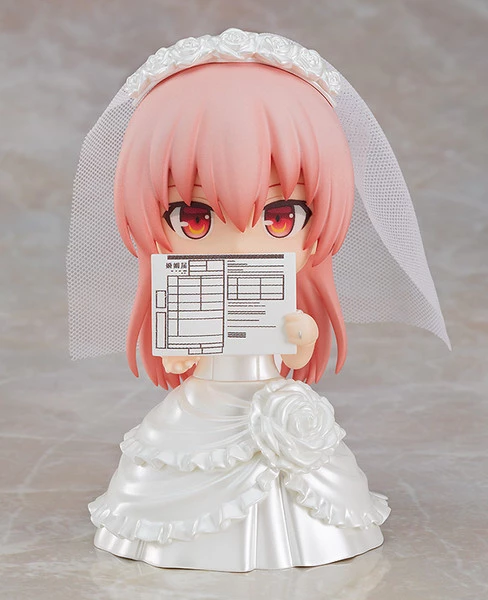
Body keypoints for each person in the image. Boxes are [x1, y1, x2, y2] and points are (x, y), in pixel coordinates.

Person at [68, 29, 449, 571]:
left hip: (271, 391)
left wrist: (300, 335)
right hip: (206, 401)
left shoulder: (282, 294)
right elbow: (178, 357)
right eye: (193, 217)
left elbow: (295, 352)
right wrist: (178, 348)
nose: (243, 244)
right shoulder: (189, 295)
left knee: (299, 484)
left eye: (280, 216)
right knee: (186, 474)